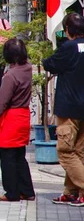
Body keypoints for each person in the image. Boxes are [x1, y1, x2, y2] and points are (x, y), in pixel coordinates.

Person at [0, 38, 36, 202]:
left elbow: (2, 100)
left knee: (7, 157)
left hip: (11, 117)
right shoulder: (27, 68)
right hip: (23, 115)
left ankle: (12, 192)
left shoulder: (11, 76)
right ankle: (27, 190)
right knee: (19, 155)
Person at [42, 13, 84, 206]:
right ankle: (72, 192)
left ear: (68, 30)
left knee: (65, 151)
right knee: (79, 152)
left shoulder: (68, 47)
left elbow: (50, 64)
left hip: (69, 107)